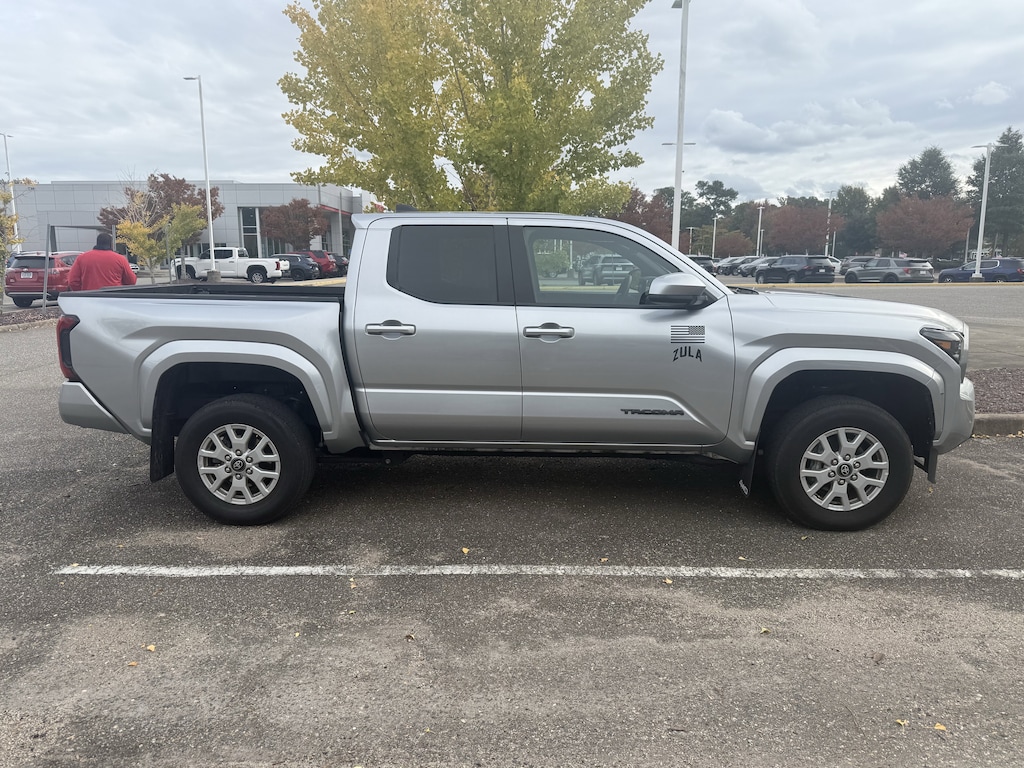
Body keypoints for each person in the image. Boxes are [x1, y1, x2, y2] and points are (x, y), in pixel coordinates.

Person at [67, 232, 137, 291]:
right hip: (114, 298)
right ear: (111, 244)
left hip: (90, 298)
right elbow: (131, 281)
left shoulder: (82, 258)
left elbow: (72, 281)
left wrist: (83, 293)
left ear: (97, 242)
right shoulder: (120, 259)